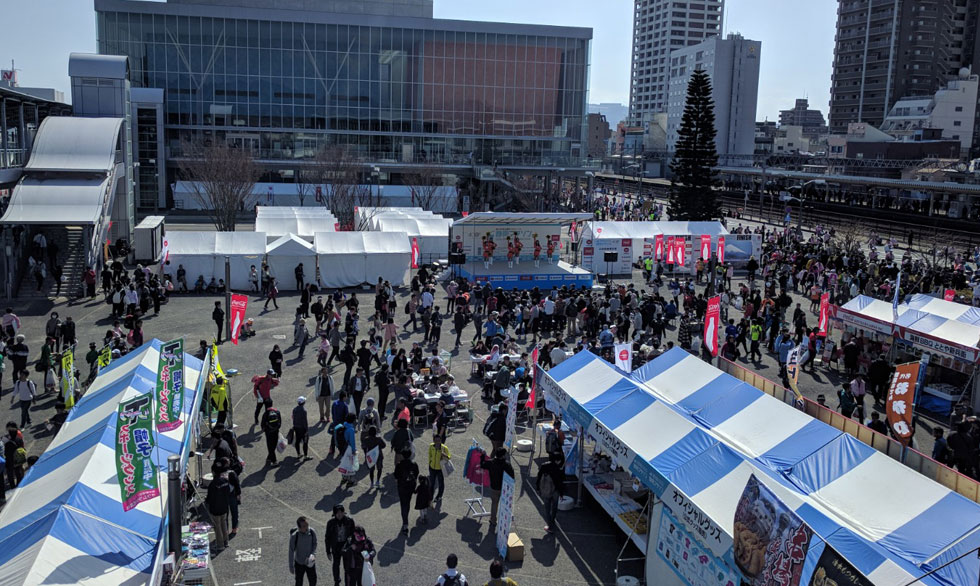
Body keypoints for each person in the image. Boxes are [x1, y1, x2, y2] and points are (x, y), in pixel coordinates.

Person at [480, 448, 514, 525]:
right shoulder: (506, 464)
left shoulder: (491, 462)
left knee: (494, 504)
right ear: (503, 456)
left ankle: (493, 520)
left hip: (494, 487)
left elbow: (482, 465)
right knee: (504, 505)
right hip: (504, 488)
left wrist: (482, 456)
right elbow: (512, 476)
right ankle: (504, 521)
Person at [206, 462, 234, 551]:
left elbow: (209, 498)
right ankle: (226, 541)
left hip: (215, 509)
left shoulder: (213, 484)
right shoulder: (225, 481)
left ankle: (220, 545)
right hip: (224, 507)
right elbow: (229, 491)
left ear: (213, 472)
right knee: (224, 524)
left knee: (217, 527)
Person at [325, 504, 355, 586]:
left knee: (347, 567)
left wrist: (352, 545)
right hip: (336, 547)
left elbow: (353, 534)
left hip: (346, 546)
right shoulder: (330, 523)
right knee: (336, 565)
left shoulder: (350, 520)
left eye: (341, 512)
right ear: (334, 514)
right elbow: (327, 538)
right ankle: (337, 581)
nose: (339, 514)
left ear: (343, 512)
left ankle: (347, 582)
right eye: (337, 513)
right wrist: (328, 551)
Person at [537, 451, 566, 533]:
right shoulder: (559, 469)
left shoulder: (544, 466)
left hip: (546, 490)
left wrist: (538, 488)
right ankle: (552, 520)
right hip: (555, 491)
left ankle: (549, 524)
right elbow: (561, 482)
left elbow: (539, 477)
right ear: (558, 460)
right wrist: (561, 493)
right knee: (554, 507)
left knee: (547, 508)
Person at [394, 448, 420, 534]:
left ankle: (405, 522)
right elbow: (416, 474)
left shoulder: (399, 465)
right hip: (410, 486)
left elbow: (396, 476)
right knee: (407, 502)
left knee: (403, 504)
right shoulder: (414, 464)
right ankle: (406, 518)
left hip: (401, 486)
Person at [289, 516, 318, 586]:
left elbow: (315, 543)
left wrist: (313, 554)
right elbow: (291, 551)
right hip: (299, 563)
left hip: (310, 562)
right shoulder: (294, 536)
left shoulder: (312, 532)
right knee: (298, 582)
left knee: (313, 581)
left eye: (307, 525)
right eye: (304, 526)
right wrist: (291, 566)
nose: (307, 527)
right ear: (299, 528)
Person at [427, 433, 451, 502]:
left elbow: (449, 457)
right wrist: (430, 463)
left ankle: (439, 496)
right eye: (436, 440)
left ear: (441, 440)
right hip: (432, 468)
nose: (437, 442)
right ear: (433, 440)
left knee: (441, 483)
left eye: (439, 440)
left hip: (440, 469)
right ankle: (430, 495)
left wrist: (445, 455)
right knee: (432, 483)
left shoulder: (444, 448)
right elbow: (430, 455)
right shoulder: (431, 446)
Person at [260, 399, 282, 467]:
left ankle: (273, 461)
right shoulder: (277, 412)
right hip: (275, 431)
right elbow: (280, 423)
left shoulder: (265, 413)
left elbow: (262, 424)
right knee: (274, 445)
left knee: (270, 446)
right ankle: (270, 458)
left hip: (268, 432)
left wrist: (265, 430)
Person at [3, 422, 25, 489]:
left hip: (11, 460)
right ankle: (19, 484)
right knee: (18, 472)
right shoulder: (19, 439)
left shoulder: (8, 442)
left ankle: (12, 486)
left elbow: (6, 453)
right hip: (19, 458)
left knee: (10, 473)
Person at [328, 391, 349, 459]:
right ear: (343, 397)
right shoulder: (344, 405)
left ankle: (332, 449)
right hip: (341, 424)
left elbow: (332, 412)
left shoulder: (334, 403)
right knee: (340, 438)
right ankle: (341, 451)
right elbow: (346, 415)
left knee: (334, 436)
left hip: (335, 422)